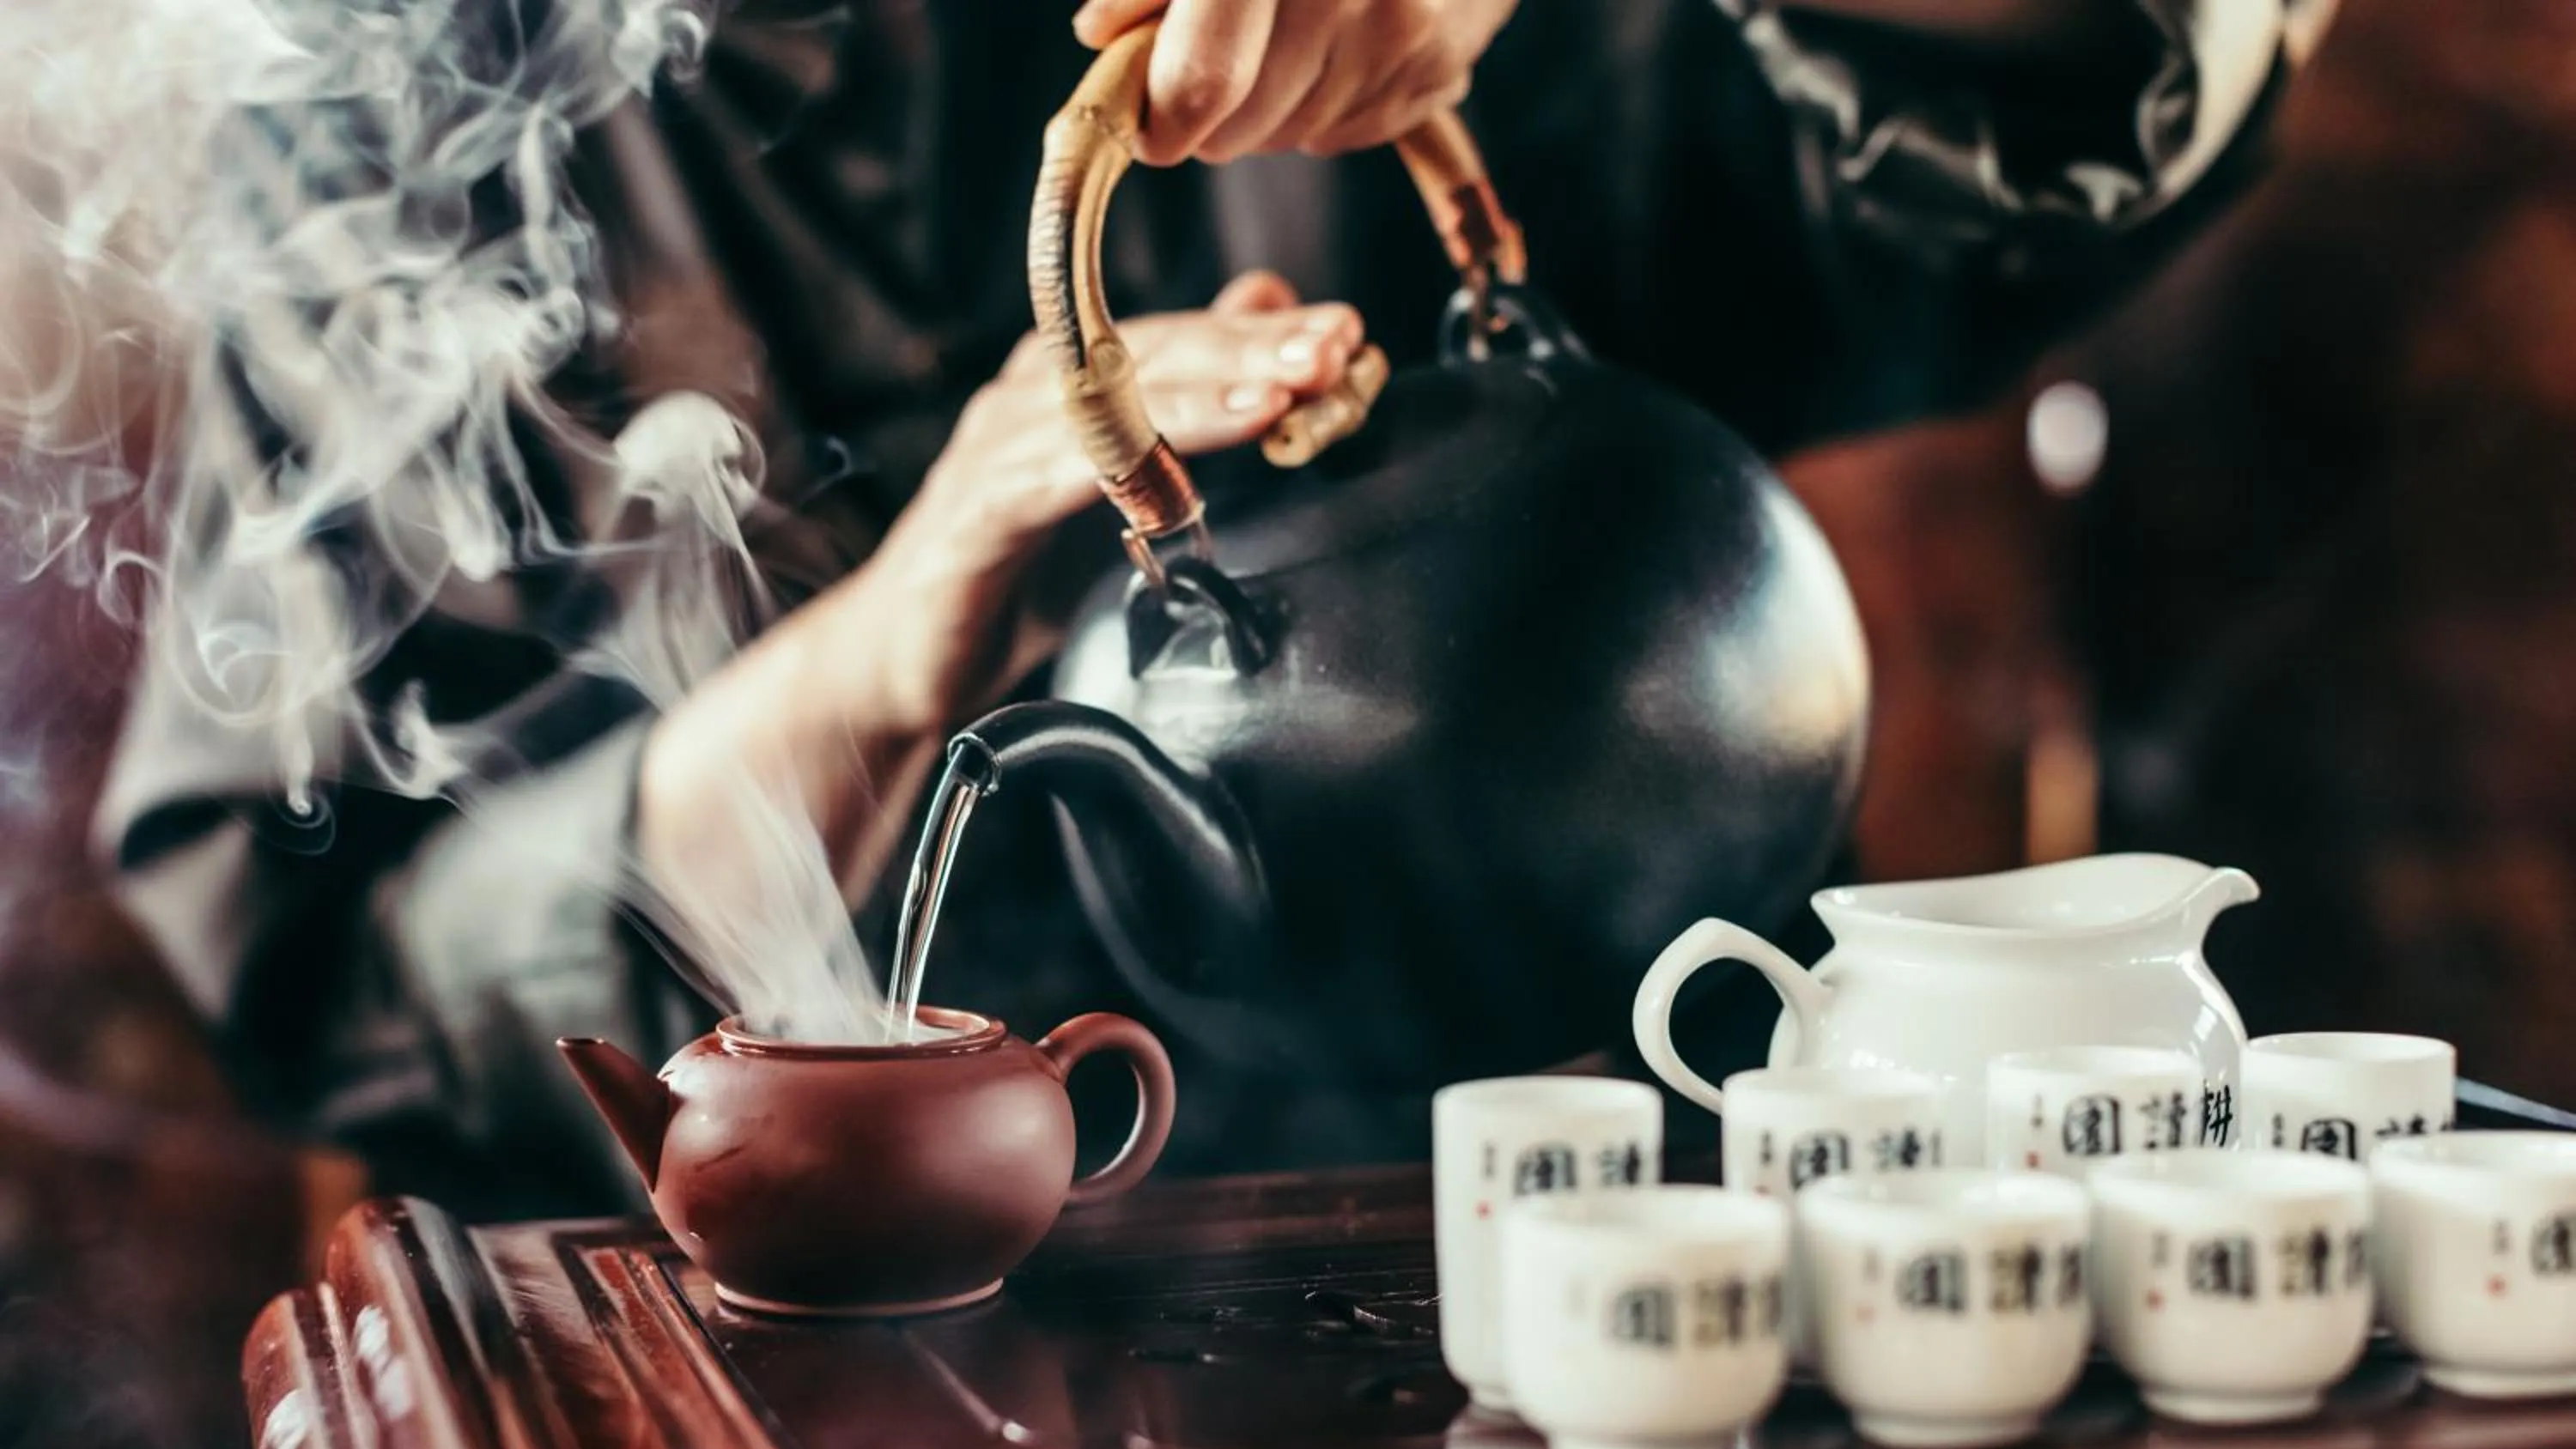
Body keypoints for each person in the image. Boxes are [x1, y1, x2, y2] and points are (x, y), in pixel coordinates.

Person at [94, 0, 2331, 1216]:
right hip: (789, 1373)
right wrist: (887, 655)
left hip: (1580, 1228)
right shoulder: (393, 102)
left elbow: (2095, 89)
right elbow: (335, 962)